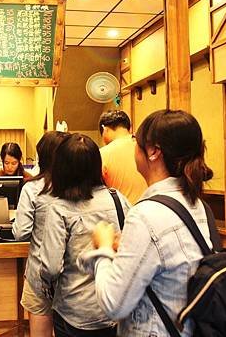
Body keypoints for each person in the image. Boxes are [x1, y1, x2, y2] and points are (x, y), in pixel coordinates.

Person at [79, 109, 214, 337]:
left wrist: (102, 248)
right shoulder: (198, 205)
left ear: (153, 152)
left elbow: (114, 303)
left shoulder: (146, 215)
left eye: (136, 143)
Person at [39, 133, 131, 337]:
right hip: (115, 306)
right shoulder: (118, 199)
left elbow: (51, 267)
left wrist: (46, 285)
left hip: (75, 310)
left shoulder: (59, 208)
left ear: (61, 168)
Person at [13, 131, 69, 337]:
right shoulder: (74, 187)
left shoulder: (33, 188)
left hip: (39, 274)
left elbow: (21, 233)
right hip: (71, 276)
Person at [99, 110, 146, 203]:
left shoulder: (102, 154)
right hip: (153, 208)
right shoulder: (146, 147)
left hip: (123, 214)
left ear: (104, 129)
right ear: (129, 128)